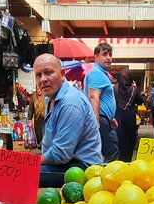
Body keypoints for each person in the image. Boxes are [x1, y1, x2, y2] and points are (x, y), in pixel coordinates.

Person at [34, 53, 102, 186]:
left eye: (48, 73)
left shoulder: (70, 102)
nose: (43, 79)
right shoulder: (50, 98)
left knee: (24, 174)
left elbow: (61, 154)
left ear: (62, 74)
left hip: (82, 169)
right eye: (38, 75)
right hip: (66, 163)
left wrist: (30, 162)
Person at [85, 41, 118, 161]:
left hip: (104, 118)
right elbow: (94, 97)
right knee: (111, 154)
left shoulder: (101, 74)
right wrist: (96, 121)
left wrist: (111, 117)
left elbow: (102, 99)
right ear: (96, 57)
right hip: (101, 120)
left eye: (110, 54)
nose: (109, 58)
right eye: (105, 54)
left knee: (109, 152)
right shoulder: (97, 74)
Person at [114, 68, 143, 163]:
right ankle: (127, 161)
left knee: (118, 138)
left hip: (117, 115)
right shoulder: (133, 89)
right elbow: (140, 101)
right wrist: (135, 87)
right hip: (130, 117)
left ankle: (118, 161)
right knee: (129, 139)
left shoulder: (114, 88)